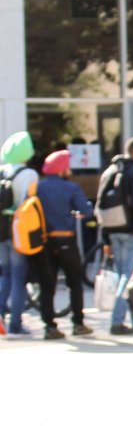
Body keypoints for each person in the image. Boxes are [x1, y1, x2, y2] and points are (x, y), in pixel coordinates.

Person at [30, 151, 95, 340]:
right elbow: (86, 210)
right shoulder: (71, 187)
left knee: (47, 285)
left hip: (44, 241)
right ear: (62, 168)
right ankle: (78, 323)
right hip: (66, 239)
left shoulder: (38, 188)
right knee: (74, 282)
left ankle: (49, 326)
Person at [100, 136, 133, 335]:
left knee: (124, 275)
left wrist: (104, 238)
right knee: (129, 278)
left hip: (113, 231)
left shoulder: (110, 171)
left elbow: (100, 206)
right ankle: (117, 320)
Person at [1, 132, 38, 337]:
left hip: (1, 229)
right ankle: (15, 322)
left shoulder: (2, 171)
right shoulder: (29, 175)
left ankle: (0, 316)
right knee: (18, 276)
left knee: (4, 273)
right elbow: (31, 203)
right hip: (19, 230)